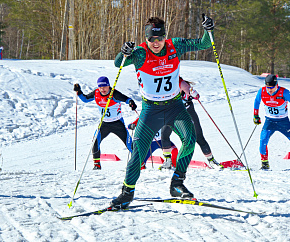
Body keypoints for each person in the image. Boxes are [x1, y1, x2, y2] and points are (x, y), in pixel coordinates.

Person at [110, 15, 215, 209]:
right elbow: (119, 64)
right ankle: (127, 192)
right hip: (151, 110)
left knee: (190, 138)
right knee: (138, 152)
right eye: (151, 39)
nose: (156, 43)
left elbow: (203, 44)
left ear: (165, 36)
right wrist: (123, 52)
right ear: (146, 38)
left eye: (159, 39)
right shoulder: (141, 53)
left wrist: (208, 29)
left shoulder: (175, 45)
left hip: (175, 106)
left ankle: (177, 183)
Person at [73, 76, 137, 170]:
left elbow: (127, 99)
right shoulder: (96, 93)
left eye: (105, 86)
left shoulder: (114, 94)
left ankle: (140, 163)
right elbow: (85, 99)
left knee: (129, 144)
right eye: (100, 87)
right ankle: (97, 165)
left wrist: (131, 103)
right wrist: (79, 92)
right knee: (95, 141)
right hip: (104, 124)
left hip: (117, 123)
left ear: (109, 86)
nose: (102, 89)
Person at [160, 76, 222, 170]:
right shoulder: (164, 85)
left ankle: (212, 161)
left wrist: (194, 94)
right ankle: (168, 161)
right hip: (172, 114)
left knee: (198, 137)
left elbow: (193, 93)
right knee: (164, 134)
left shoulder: (182, 83)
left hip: (188, 112)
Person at [253, 74, 290, 170]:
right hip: (269, 121)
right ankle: (265, 164)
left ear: (276, 84)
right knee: (262, 142)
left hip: (284, 122)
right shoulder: (262, 91)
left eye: (272, 87)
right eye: (268, 87)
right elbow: (257, 101)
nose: (270, 90)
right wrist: (255, 115)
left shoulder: (284, 92)